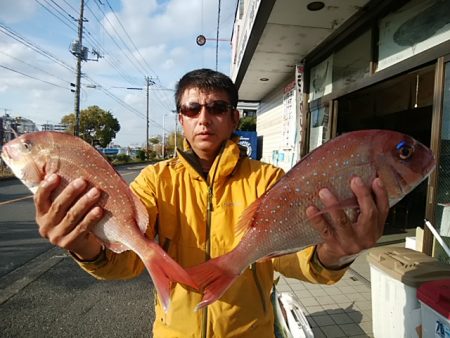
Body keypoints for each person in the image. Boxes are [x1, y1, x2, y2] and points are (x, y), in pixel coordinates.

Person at [34, 68, 389, 337]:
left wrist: (338, 252)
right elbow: (124, 264)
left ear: (235, 117)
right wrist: (82, 244)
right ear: (181, 119)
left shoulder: (268, 180)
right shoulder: (154, 181)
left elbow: (295, 260)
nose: (204, 118)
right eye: (192, 109)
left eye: (217, 107)